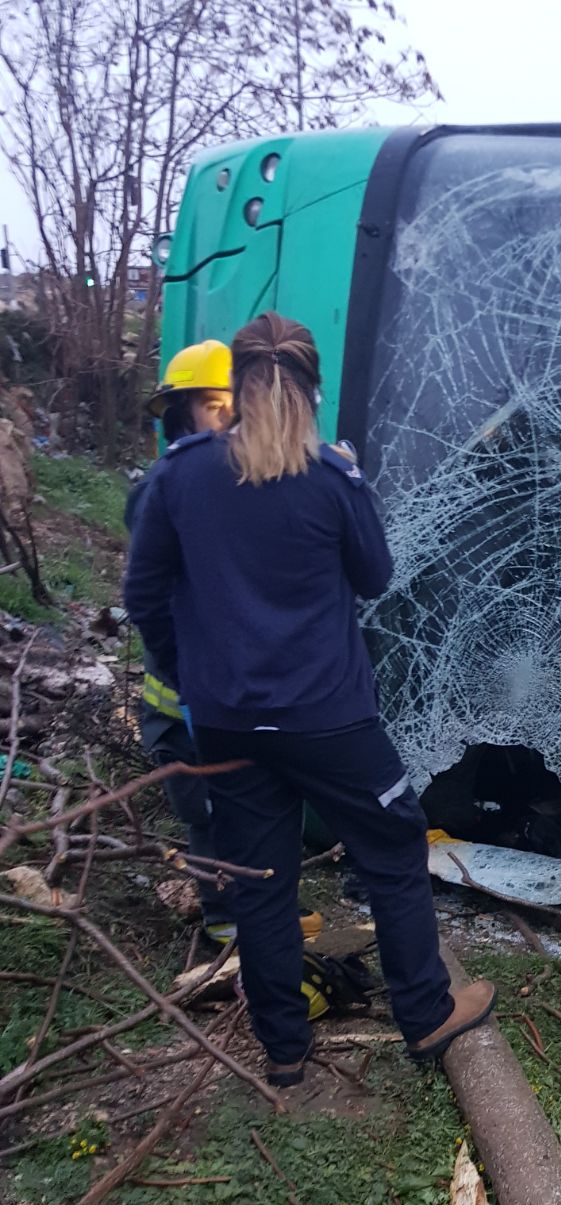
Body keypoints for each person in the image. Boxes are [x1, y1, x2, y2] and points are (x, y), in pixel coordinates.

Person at [124, 311, 494, 1086]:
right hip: (329, 718)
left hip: (226, 722)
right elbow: (375, 576)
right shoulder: (330, 477)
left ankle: (284, 1051)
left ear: (236, 387)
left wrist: (188, 673)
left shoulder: (179, 476)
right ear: (311, 389)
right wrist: (349, 481)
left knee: (259, 878)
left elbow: (145, 596)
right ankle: (425, 1015)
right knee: (393, 850)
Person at [127, 340, 321, 948]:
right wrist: (194, 675)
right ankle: (228, 933)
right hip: (182, 707)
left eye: (233, 407)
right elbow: (156, 604)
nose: (230, 421)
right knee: (210, 818)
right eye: (215, 407)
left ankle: (263, 913)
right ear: (183, 413)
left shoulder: (240, 484)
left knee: (255, 811)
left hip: (239, 698)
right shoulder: (165, 490)